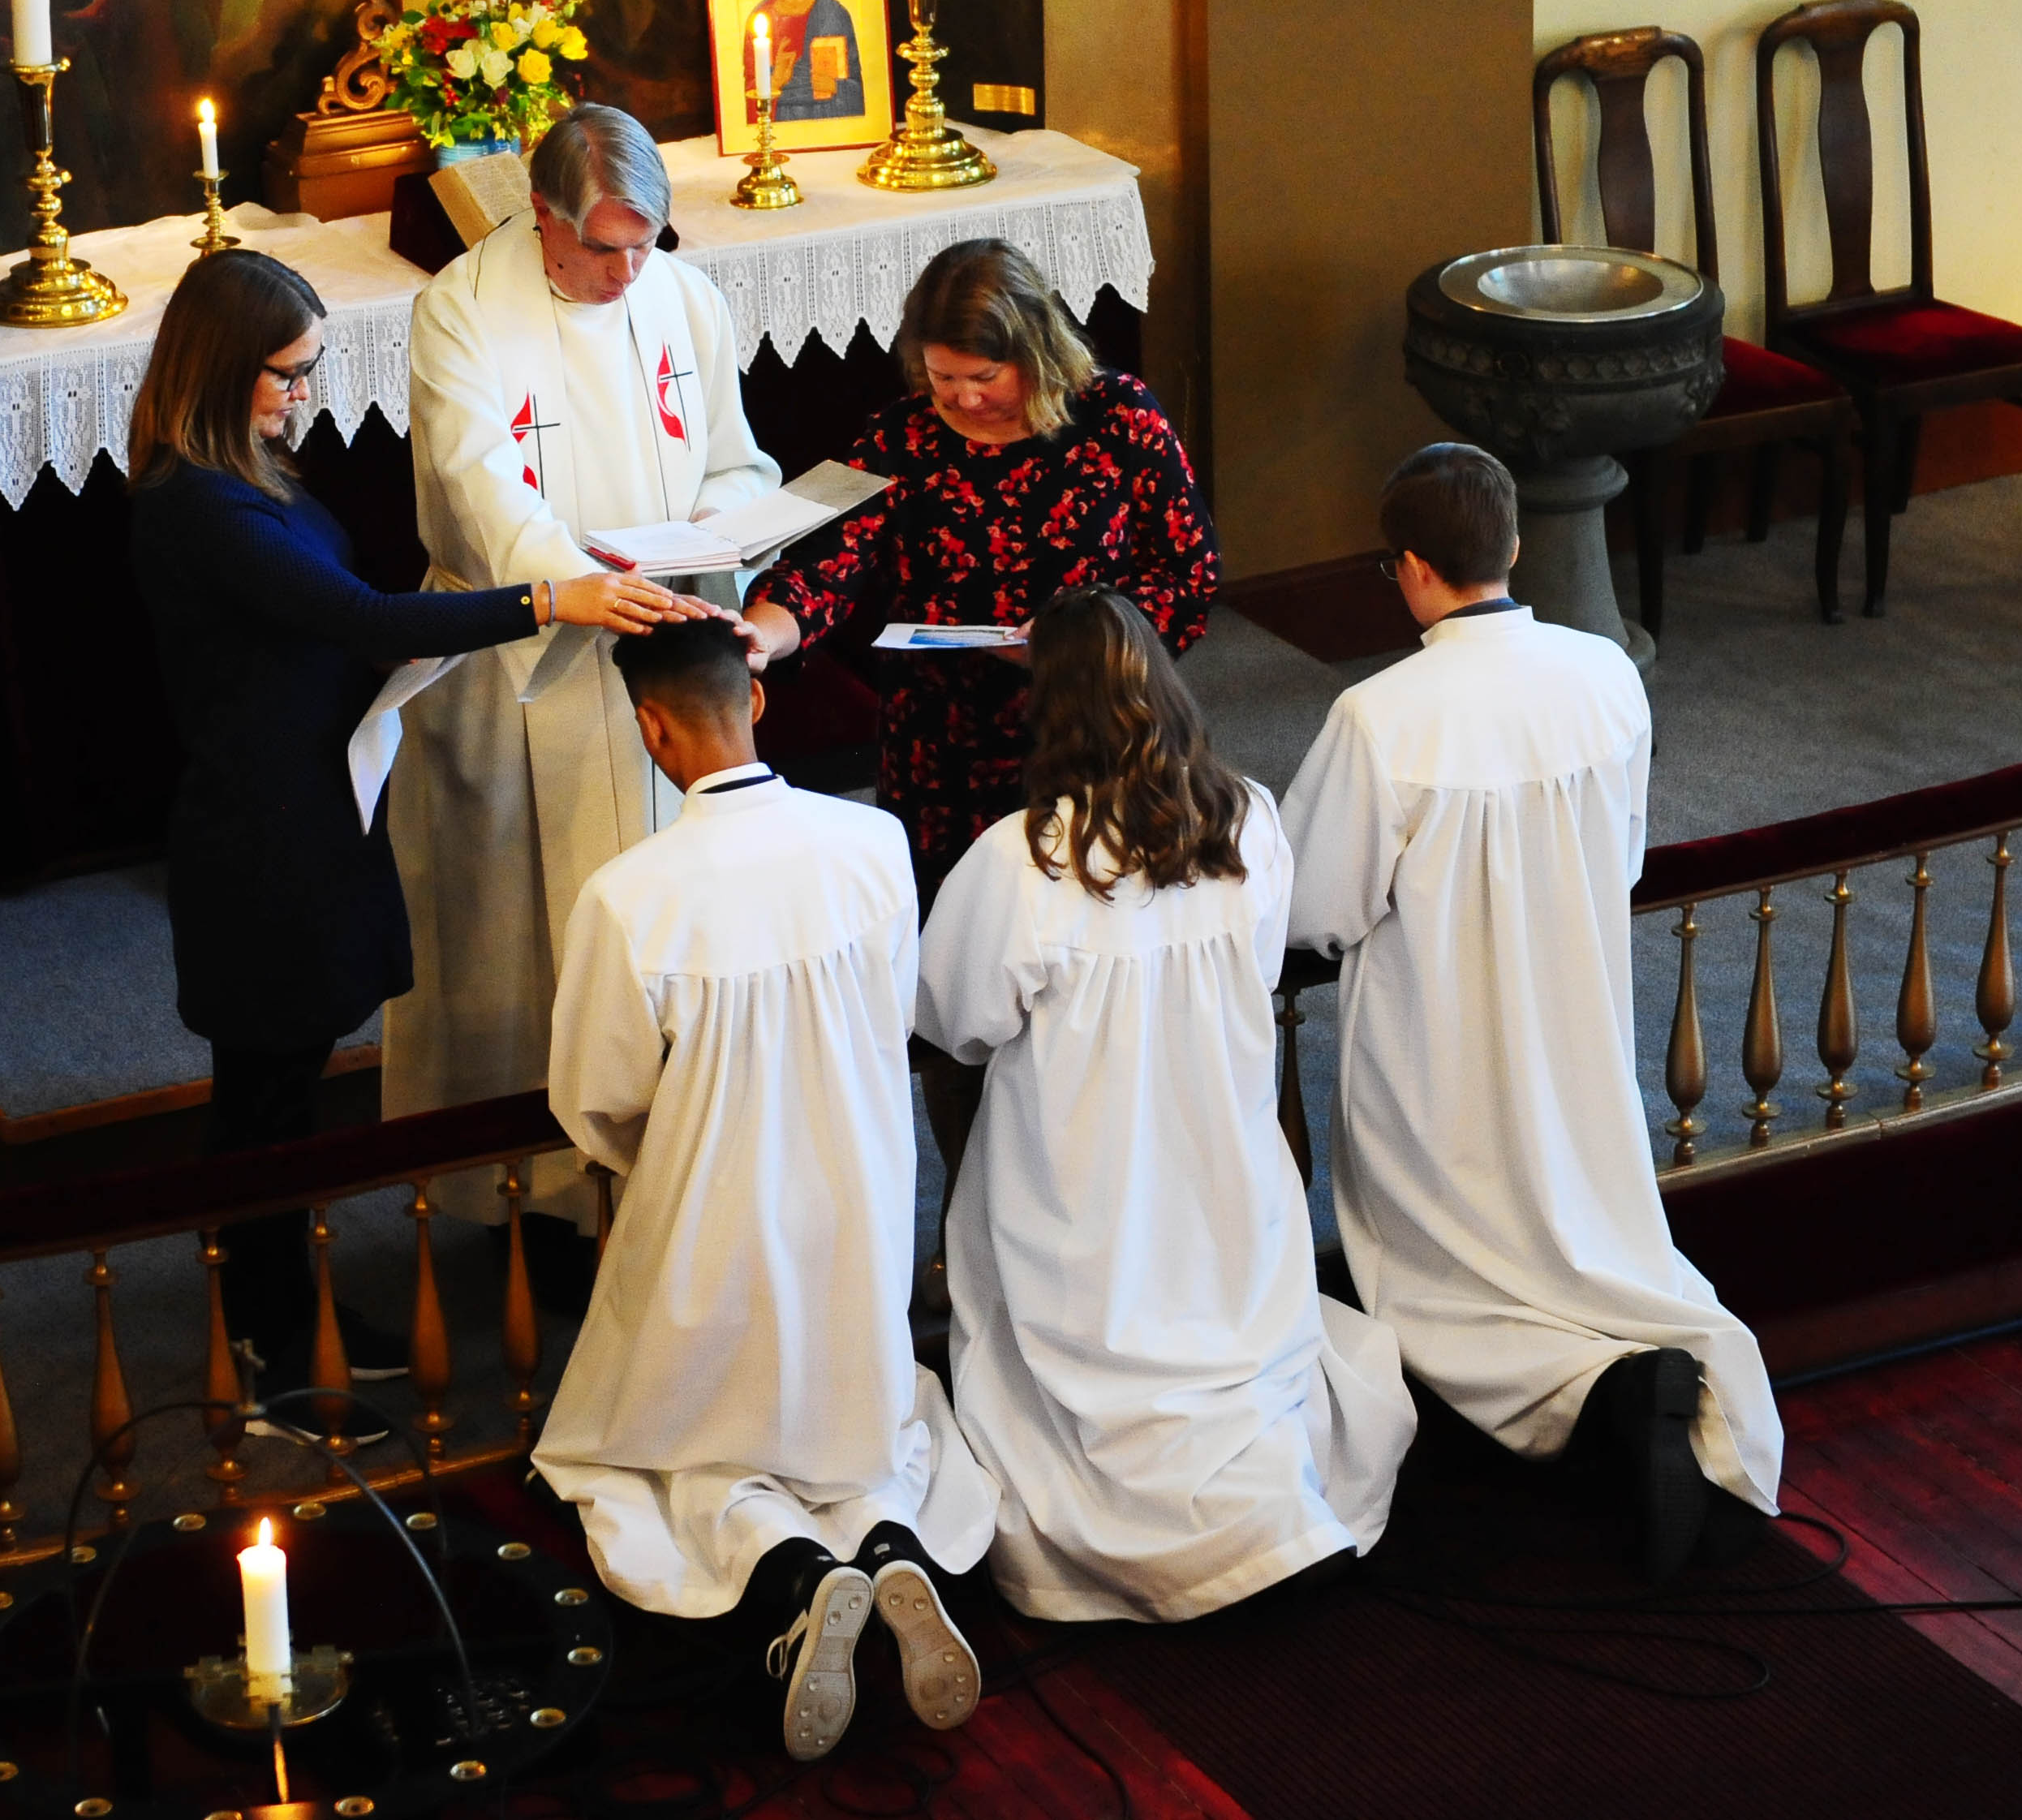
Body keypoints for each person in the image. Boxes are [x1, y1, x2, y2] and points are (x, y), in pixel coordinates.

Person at [126, 248, 695, 1380]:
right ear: (220, 366)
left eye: (310, 367)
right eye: (286, 372)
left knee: (285, 1093)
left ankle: (278, 1300)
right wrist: (552, 596)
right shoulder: (201, 505)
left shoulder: (251, 469)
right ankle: (270, 1340)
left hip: (308, 807)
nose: (303, 393)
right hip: (260, 839)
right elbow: (361, 616)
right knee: (266, 1105)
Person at [1279, 443, 1783, 1581]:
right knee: (1579, 1218)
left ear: (1410, 567)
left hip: (1439, 1036)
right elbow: (1627, 849)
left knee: (1441, 1273)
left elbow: (1316, 906)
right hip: (1573, 1008)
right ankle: (1638, 1360)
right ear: (1511, 545)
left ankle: (1604, 1393)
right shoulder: (1604, 672)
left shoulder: (1379, 715)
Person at [530, 619, 996, 1761]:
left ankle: (790, 1573)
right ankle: (885, 1543)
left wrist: (663, 1160)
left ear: (650, 729)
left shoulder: (629, 897)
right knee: (854, 1414)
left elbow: (596, 1099)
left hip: (713, 1205)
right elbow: (894, 1012)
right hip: (857, 1191)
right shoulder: (873, 842)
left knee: (671, 1438)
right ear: (758, 698)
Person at [918, 587, 1416, 1620]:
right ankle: (1266, 1505)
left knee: (1089, 1339)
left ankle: (1223, 1537)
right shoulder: (1246, 818)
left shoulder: (1023, 856)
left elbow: (952, 1018)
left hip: (1081, 1171)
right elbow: (1265, 956)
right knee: (1229, 1329)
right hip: (1219, 1148)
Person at [387, 105, 780, 1231]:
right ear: (541, 215)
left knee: (666, 929)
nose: (626, 273)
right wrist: (577, 585)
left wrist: (714, 532)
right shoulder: (462, 311)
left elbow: (734, 461)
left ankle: (670, 1182)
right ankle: (525, 1198)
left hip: (664, 660)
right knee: (513, 944)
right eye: (604, 246)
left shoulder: (681, 296)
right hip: (521, 660)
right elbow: (482, 491)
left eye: (645, 243)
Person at [741, 237, 1217, 904]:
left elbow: (1186, 572)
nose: (963, 399)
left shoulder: (1118, 415)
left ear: (1037, 352)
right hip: (943, 740)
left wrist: (1076, 644)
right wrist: (760, 634)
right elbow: (822, 568)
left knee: (1092, 914)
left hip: (1092, 717)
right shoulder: (896, 435)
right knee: (954, 923)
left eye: (985, 377)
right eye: (942, 378)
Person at [751, 0, 864, 122]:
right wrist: (775, 81)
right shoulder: (761, 17)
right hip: (779, 122)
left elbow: (860, 87)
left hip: (827, 120)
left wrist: (835, 86)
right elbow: (746, 90)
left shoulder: (834, 14)